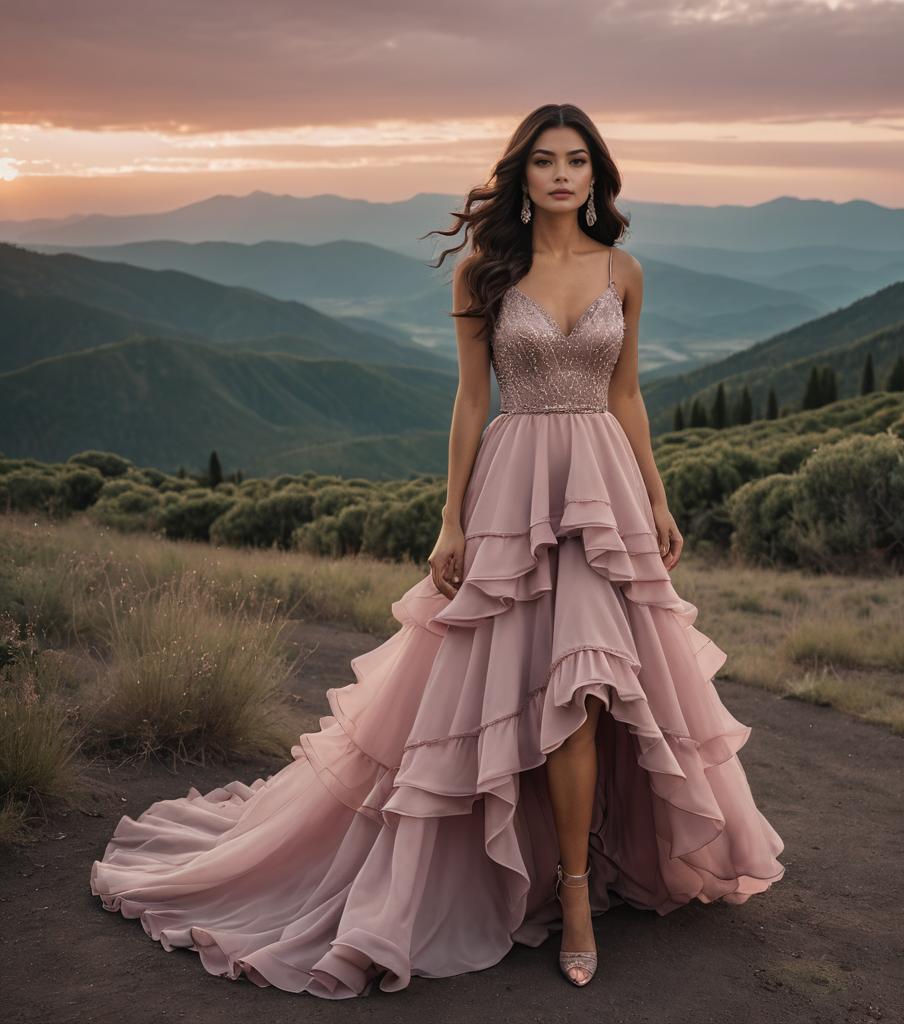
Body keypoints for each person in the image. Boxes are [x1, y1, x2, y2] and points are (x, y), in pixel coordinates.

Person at [90, 102, 785, 997]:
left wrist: (656, 498)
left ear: (597, 175)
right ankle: (570, 895)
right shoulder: (484, 273)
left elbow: (628, 395)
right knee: (538, 693)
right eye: (546, 161)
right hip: (515, 492)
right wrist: (451, 521)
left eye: (578, 160)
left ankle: (577, 882)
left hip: (603, 493)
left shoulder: (625, 269)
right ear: (523, 175)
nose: (564, 175)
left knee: (596, 690)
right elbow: (469, 404)